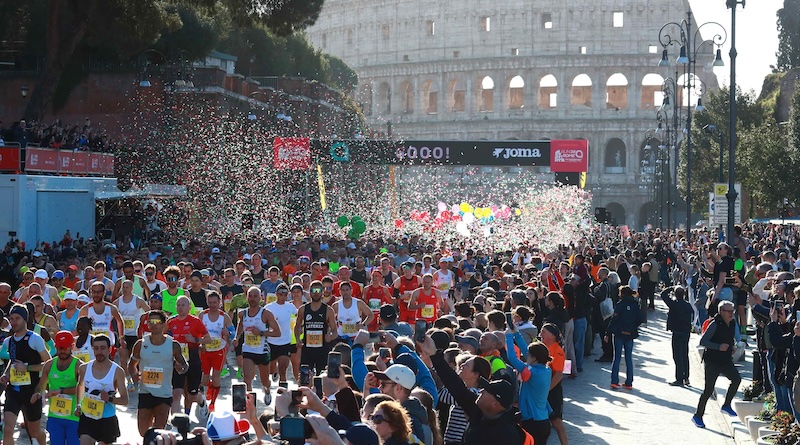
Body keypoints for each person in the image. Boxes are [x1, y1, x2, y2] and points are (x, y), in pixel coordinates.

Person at [424, 335, 527, 445]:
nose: (482, 391)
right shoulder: (478, 411)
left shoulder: (508, 434)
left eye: (487, 391)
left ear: (495, 403)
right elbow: (455, 386)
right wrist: (434, 355)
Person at [128, 310, 189, 436]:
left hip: (164, 393)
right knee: (143, 432)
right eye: (150, 322)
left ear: (164, 324)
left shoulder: (173, 345)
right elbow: (131, 365)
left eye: (157, 322)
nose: (153, 325)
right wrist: (134, 375)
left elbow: (185, 365)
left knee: (159, 430)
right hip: (145, 392)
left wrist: (181, 368)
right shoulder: (140, 344)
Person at [1, 304, 50, 445]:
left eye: (17, 318)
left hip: (32, 392)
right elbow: (13, 361)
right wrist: (6, 375)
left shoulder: (35, 339)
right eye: (11, 319)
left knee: (34, 432)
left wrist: (27, 368)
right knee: (8, 430)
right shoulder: (8, 341)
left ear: (25, 319)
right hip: (14, 391)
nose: (14, 322)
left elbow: (49, 364)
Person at [692, 300, 742, 428]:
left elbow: (729, 339)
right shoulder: (714, 324)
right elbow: (703, 341)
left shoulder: (732, 323)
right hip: (712, 361)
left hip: (725, 360)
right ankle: (697, 416)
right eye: (729, 311)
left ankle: (726, 405)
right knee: (708, 390)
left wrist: (732, 347)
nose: (732, 314)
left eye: (733, 311)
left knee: (736, 379)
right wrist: (718, 346)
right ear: (721, 312)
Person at [75, 334, 129, 445]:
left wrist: (109, 399)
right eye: (96, 348)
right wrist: (78, 405)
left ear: (110, 349)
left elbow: (125, 400)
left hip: (107, 419)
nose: (99, 352)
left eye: (103, 348)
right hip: (88, 417)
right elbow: (80, 386)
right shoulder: (84, 368)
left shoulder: (117, 371)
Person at [33, 330, 82, 445]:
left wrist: (61, 391)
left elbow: (83, 389)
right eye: (60, 348)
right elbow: (41, 386)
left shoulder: (79, 366)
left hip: (74, 417)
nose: (62, 351)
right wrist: (38, 394)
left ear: (72, 346)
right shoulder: (49, 365)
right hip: (55, 415)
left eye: (65, 348)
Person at [505, 328, 552, 444]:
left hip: (532, 422)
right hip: (544, 421)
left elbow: (512, 358)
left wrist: (509, 336)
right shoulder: (546, 369)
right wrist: (516, 333)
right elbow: (529, 351)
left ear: (534, 358)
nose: (526, 356)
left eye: (528, 356)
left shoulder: (531, 372)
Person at [168, 296, 212, 416]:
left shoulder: (196, 321)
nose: (180, 308)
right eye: (178, 305)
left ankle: (201, 401)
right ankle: (177, 421)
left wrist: (195, 339)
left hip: (193, 358)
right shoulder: (171, 322)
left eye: (183, 305)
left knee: (191, 394)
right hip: (177, 360)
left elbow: (209, 339)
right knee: (176, 393)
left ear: (189, 307)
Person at [236, 286, 280, 405]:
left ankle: (267, 391)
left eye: (255, 296)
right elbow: (241, 326)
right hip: (248, 349)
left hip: (262, 351)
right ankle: (250, 404)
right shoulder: (243, 313)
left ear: (260, 298)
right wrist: (237, 337)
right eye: (250, 296)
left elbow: (277, 332)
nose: (252, 299)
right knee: (247, 379)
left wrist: (260, 333)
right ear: (247, 297)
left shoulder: (266, 314)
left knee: (264, 381)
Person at [295, 280, 339, 375]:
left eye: (318, 290)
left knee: (322, 378)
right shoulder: (303, 309)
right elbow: (297, 326)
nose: (316, 293)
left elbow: (335, 331)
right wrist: (298, 339)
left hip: (322, 349)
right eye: (313, 290)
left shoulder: (328, 310)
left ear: (322, 292)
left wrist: (330, 336)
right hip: (307, 350)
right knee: (304, 377)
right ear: (309, 292)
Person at [113, 279, 150, 390]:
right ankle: (128, 381)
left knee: (136, 359)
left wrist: (144, 326)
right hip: (123, 335)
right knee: (123, 359)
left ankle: (137, 381)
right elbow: (111, 316)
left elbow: (149, 312)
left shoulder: (138, 300)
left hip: (135, 334)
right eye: (123, 287)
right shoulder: (117, 302)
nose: (125, 289)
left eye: (127, 287)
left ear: (132, 288)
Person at [199, 291, 233, 410]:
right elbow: (197, 330)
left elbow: (232, 331)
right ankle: (206, 394)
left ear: (219, 302)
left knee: (216, 375)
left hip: (219, 350)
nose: (212, 305)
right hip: (205, 349)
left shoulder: (224, 316)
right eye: (210, 302)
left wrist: (228, 333)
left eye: (215, 302)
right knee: (205, 377)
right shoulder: (203, 315)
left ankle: (213, 402)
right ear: (207, 302)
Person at [606, 286, 643, 389]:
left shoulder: (620, 304)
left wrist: (608, 332)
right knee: (628, 358)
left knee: (617, 357)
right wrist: (633, 327)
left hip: (619, 333)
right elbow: (640, 319)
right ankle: (629, 382)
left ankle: (614, 381)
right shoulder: (635, 304)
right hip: (630, 334)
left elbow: (614, 319)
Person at [265, 283, 297, 388]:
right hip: (271, 342)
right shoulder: (269, 307)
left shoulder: (291, 307)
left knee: (283, 369)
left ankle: (283, 393)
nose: (283, 297)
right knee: (271, 369)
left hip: (285, 341)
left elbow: (299, 317)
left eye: (285, 294)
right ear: (276, 294)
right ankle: (273, 373)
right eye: (280, 294)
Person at [661, 285, 694, 386]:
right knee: (685, 354)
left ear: (675, 294)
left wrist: (672, 287)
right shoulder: (688, 305)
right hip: (686, 332)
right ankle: (686, 377)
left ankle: (679, 378)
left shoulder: (674, 304)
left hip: (677, 331)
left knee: (677, 355)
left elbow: (663, 294)